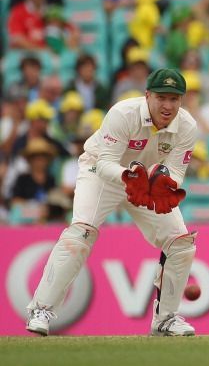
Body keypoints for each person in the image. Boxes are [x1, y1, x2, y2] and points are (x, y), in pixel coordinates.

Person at [26, 68, 199, 337]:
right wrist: (132, 178)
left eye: (174, 99)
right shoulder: (123, 114)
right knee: (81, 232)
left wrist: (164, 183)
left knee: (181, 242)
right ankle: (41, 309)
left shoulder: (187, 126)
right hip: (102, 175)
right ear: (148, 95)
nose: (167, 106)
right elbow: (105, 162)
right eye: (162, 98)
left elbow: (175, 172)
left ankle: (165, 319)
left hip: (144, 182)